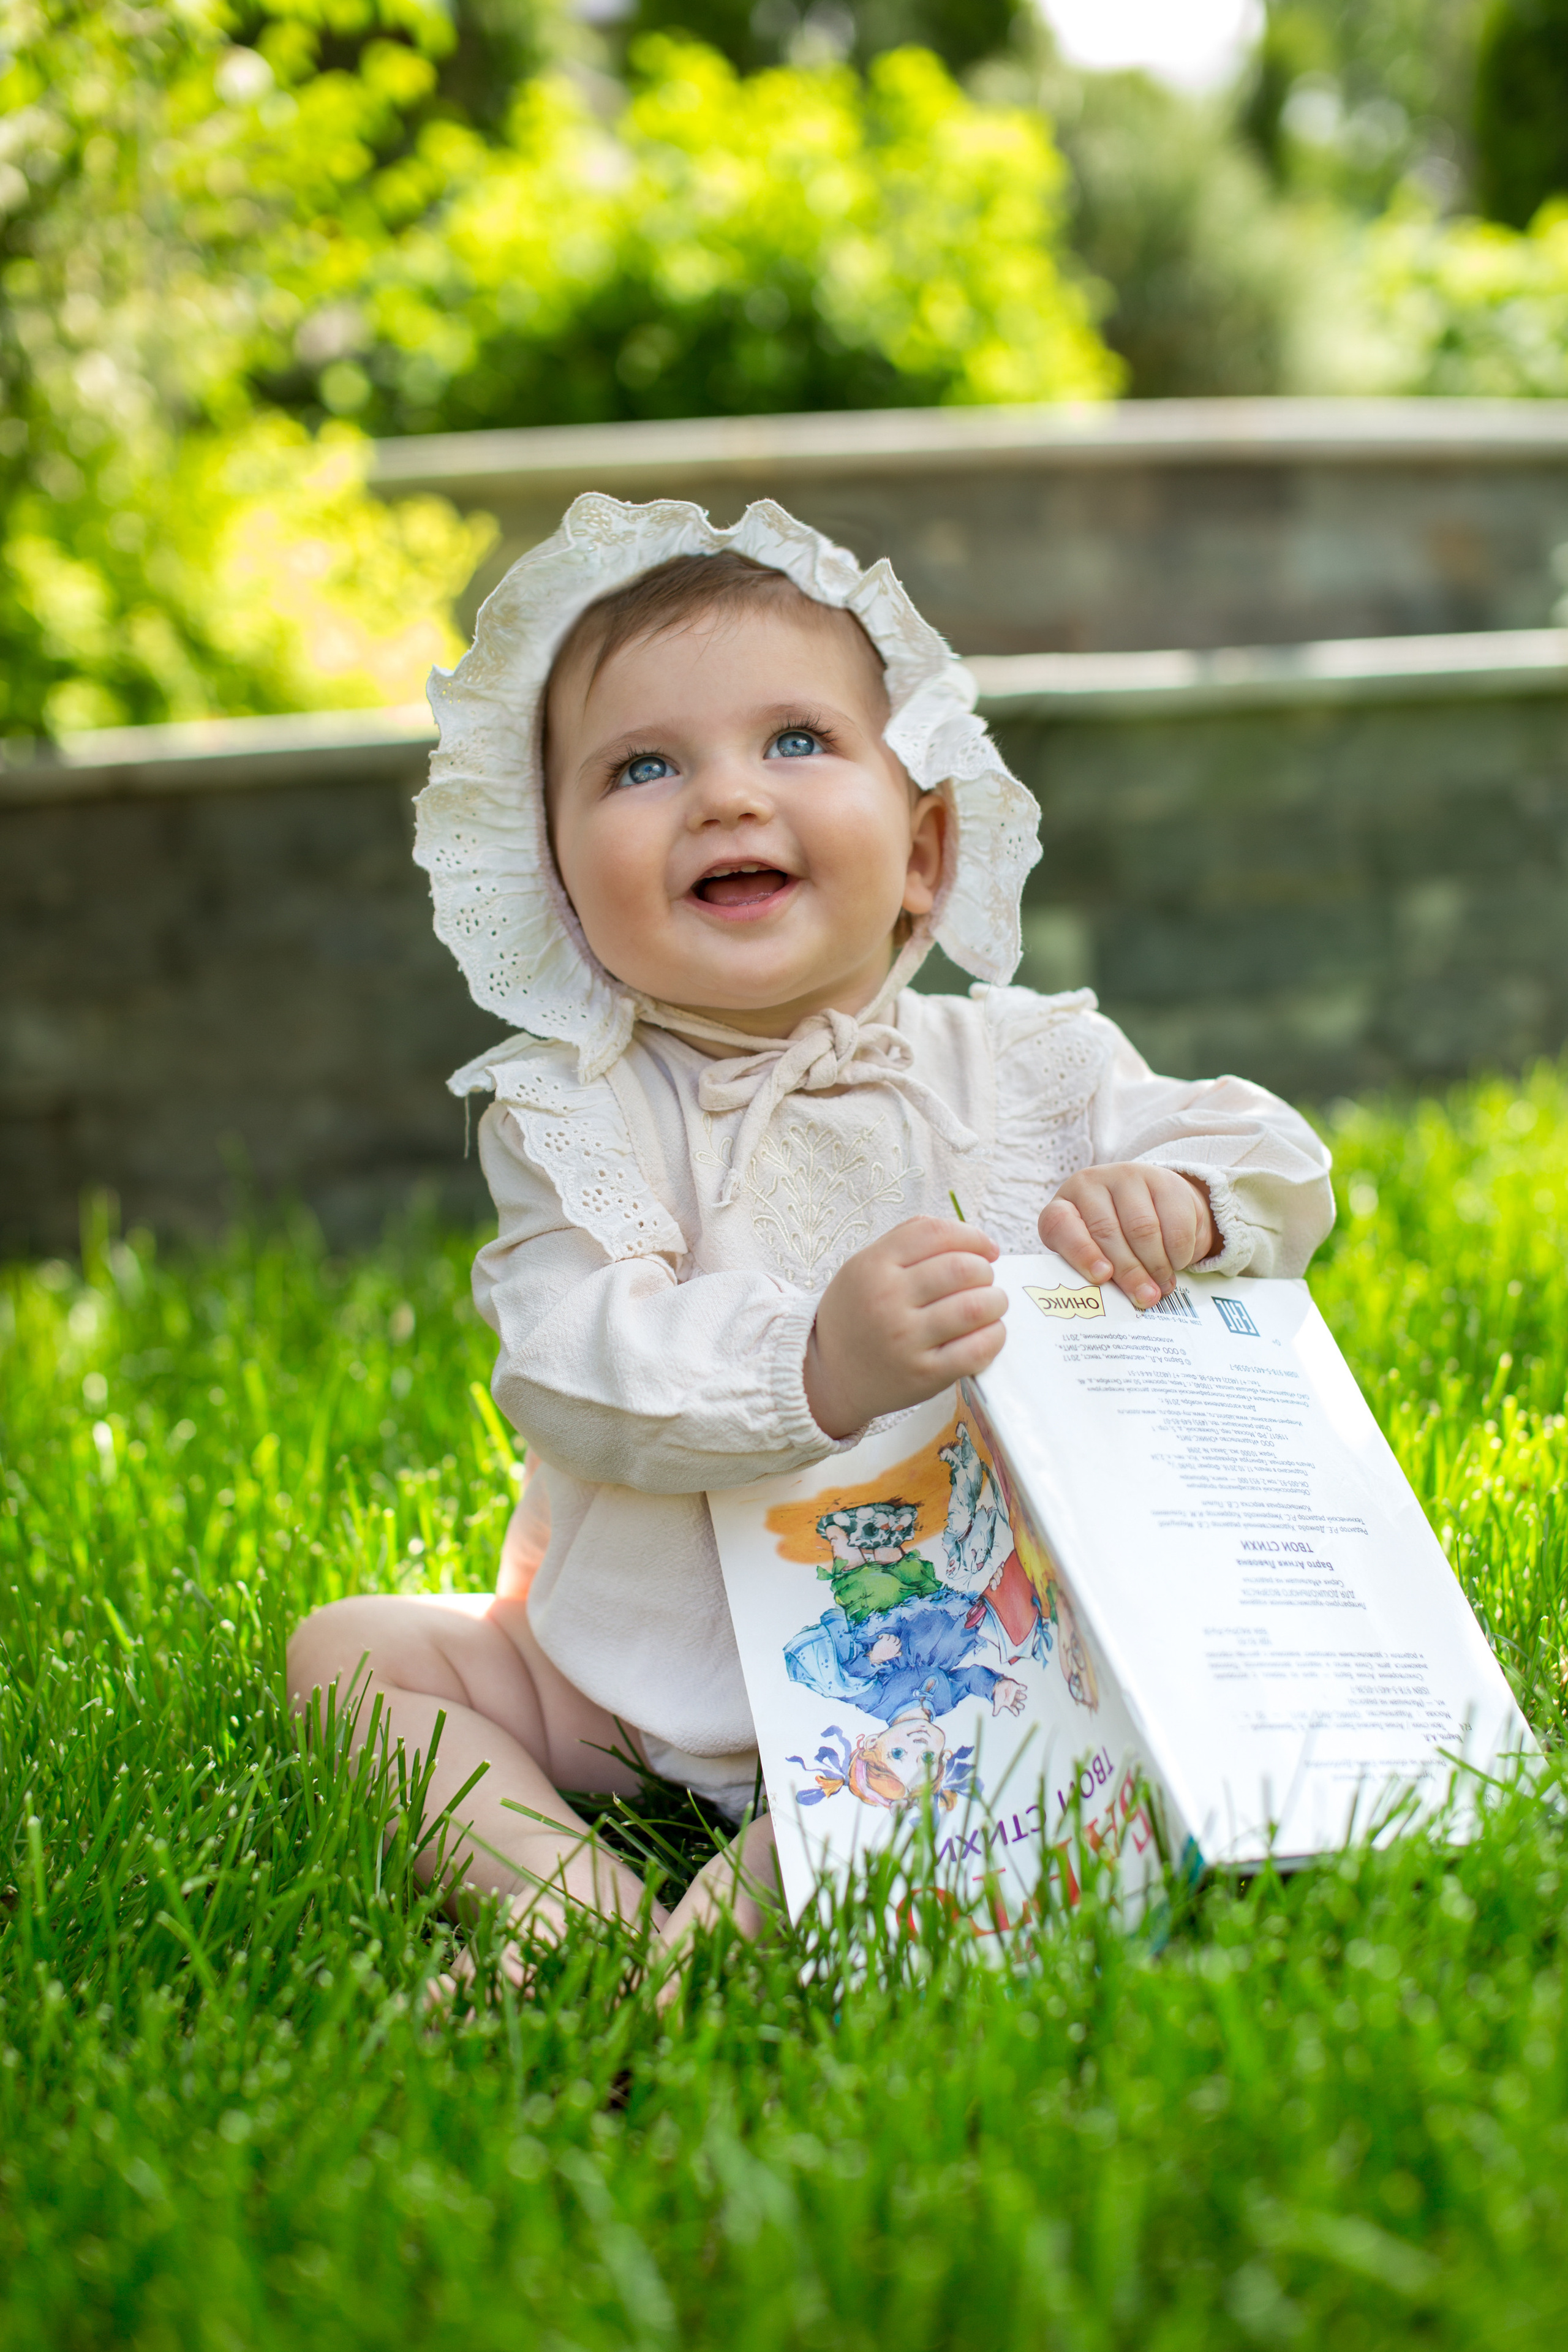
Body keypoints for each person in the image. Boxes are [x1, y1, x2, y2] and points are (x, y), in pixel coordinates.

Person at [287, 493, 1335, 1978]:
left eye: (793, 740)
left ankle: (729, 1925)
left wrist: (1186, 1198)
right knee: (355, 1653)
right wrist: (813, 1363)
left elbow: (1272, 1155)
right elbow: (570, 1359)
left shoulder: (1027, 1064)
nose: (724, 796)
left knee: (967, 1758)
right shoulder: (577, 1113)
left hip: (944, 1661)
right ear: (559, 887)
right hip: (626, 1675)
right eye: (642, 766)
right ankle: (561, 1902)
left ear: (923, 850)